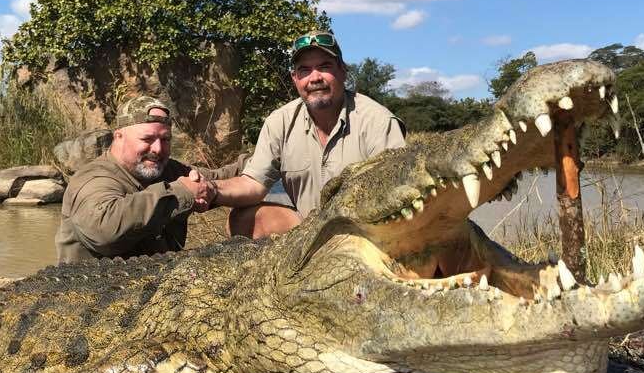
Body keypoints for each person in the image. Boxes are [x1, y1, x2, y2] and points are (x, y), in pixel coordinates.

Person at [213, 30, 405, 238]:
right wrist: (210, 190)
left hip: (365, 233)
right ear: (295, 79)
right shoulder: (280, 121)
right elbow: (253, 184)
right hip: (307, 234)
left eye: (324, 67)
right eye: (304, 70)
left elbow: (395, 195)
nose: (315, 78)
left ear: (343, 71)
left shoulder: (378, 121)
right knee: (243, 219)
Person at [55, 96, 244, 263]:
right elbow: (103, 229)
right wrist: (181, 193)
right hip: (90, 296)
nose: (158, 149)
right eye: (147, 139)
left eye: (165, 139)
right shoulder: (95, 178)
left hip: (158, 290)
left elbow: (221, 177)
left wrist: (266, 157)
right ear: (118, 137)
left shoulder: (169, 170)